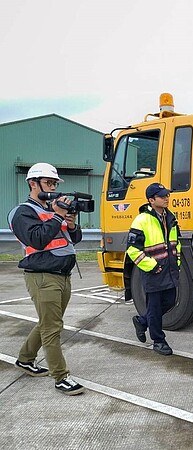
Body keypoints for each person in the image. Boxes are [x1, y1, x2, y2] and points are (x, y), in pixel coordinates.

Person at [8, 162, 85, 396]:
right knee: (52, 328)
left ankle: (24, 359)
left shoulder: (52, 210)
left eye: (54, 183)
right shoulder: (22, 212)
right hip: (42, 276)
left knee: (47, 324)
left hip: (62, 275)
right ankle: (61, 377)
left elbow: (74, 238)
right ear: (33, 183)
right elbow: (37, 240)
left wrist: (71, 225)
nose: (53, 188)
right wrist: (58, 215)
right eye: (49, 183)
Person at [127, 182, 181, 356]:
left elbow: (176, 243)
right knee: (156, 306)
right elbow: (132, 250)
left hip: (170, 270)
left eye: (167, 195)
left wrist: (177, 261)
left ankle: (143, 321)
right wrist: (153, 266)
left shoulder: (171, 217)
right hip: (154, 272)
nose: (167, 198)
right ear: (151, 200)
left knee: (171, 301)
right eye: (162, 196)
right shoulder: (141, 220)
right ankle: (158, 340)